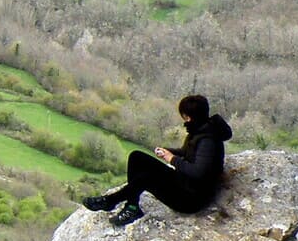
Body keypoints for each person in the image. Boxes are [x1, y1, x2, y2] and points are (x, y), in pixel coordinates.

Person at [82, 94, 232, 227]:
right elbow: (188, 153)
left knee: (146, 178)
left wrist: (171, 159)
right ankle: (132, 206)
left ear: (188, 117)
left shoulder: (208, 140)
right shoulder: (200, 131)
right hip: (185, 183)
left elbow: (199, 172)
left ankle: (110, 201)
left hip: (191, 199)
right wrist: (168, 151)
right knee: (137, 157)